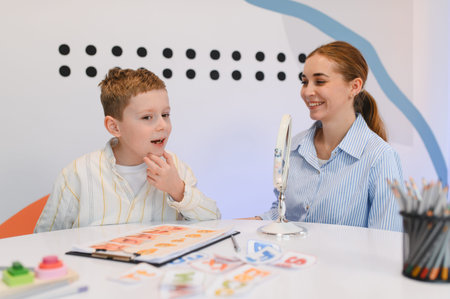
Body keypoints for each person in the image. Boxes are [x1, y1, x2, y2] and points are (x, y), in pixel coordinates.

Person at [35, 67, 220, 232]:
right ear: (115, 127)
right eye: (147, 117)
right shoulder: (77, 174)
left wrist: (178, 190)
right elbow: (44, 242)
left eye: (165, 114)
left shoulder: (176, 168)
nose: (162, 125)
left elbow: (214, 221)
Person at [258, 41, 403, 231]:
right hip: (294, 260)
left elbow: (386, 241)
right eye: (305, 82)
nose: (308, 91)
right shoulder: (294, 147)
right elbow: (281, 214)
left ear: (354, 86)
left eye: (320, 81)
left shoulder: (379, 157)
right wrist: (230, 225)